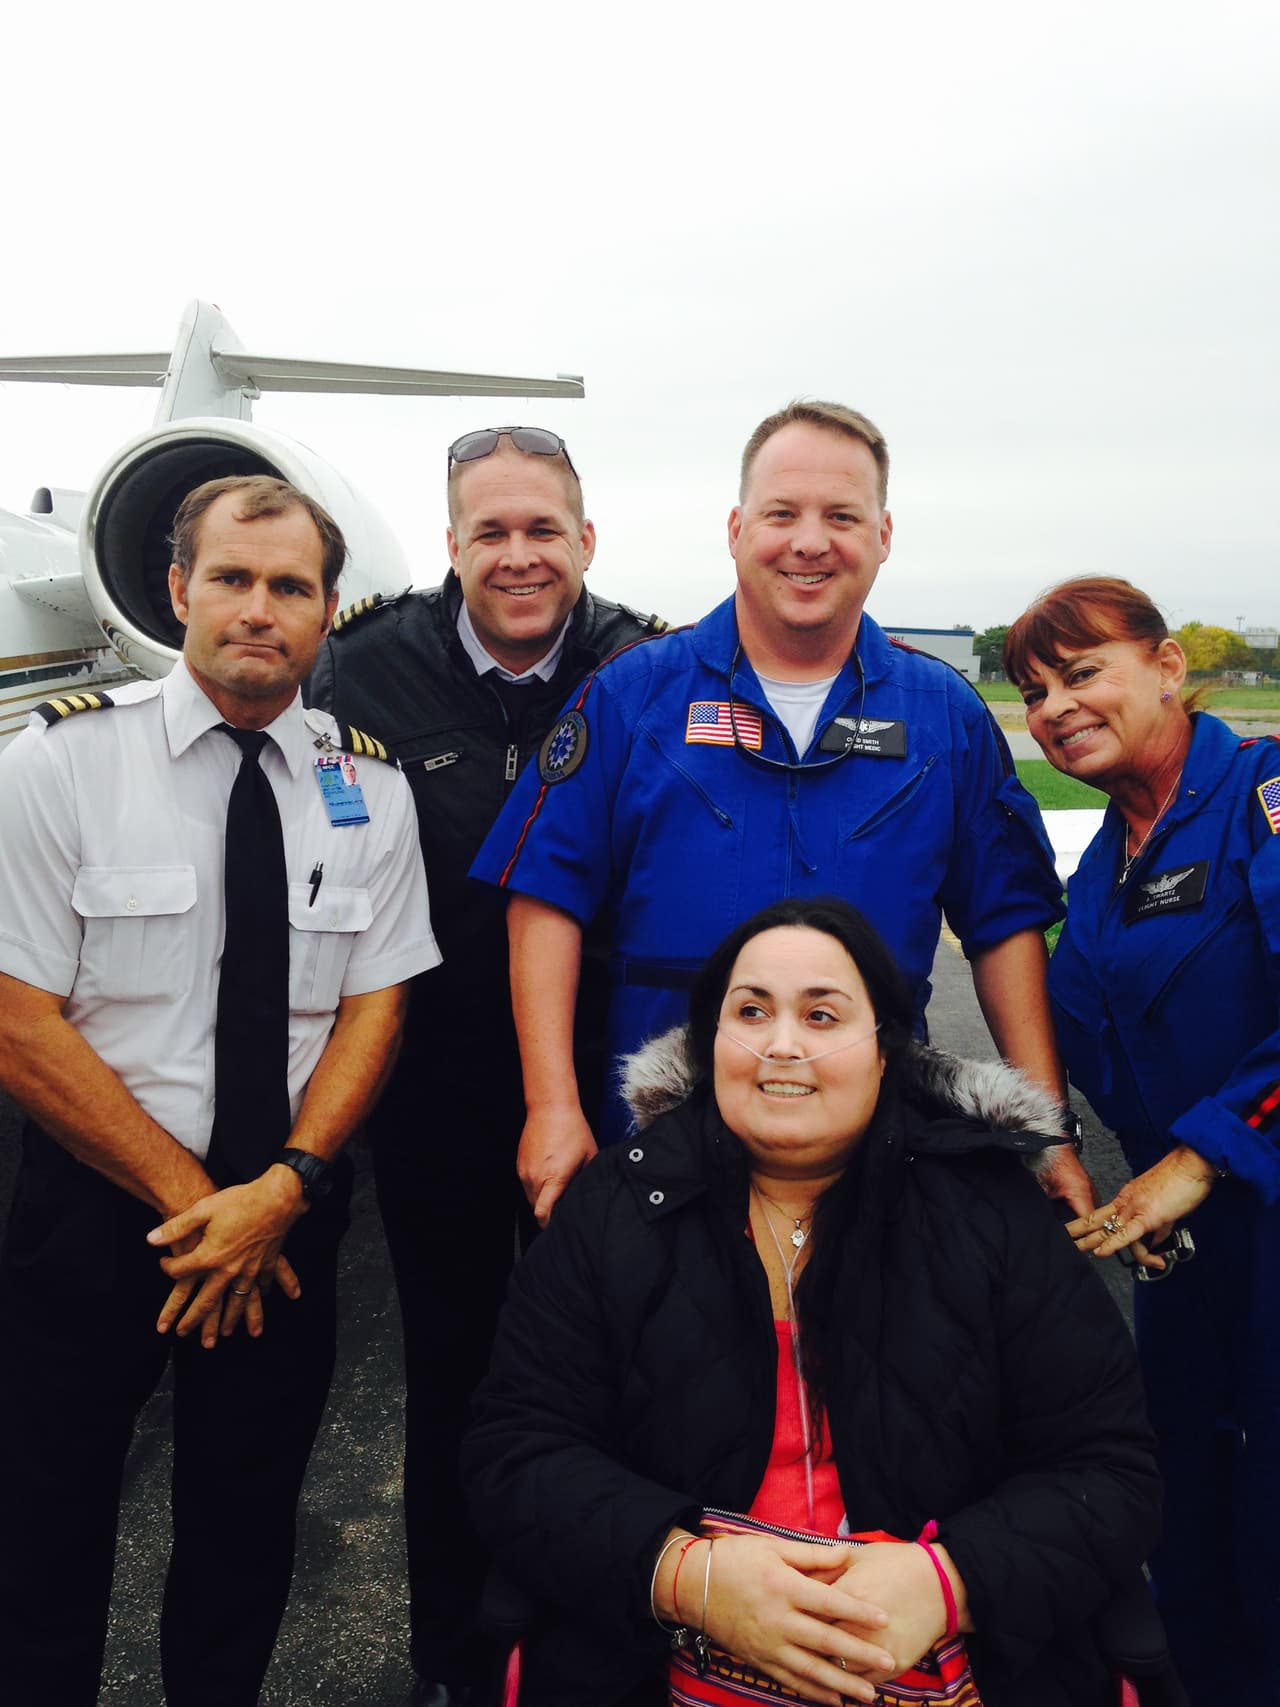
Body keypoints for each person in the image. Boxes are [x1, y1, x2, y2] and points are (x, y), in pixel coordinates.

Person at [461, 897, 1162, 1707]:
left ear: (885, 1052)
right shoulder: (613, 1210)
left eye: (822, 1014)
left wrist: (948, 1582)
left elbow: (1110, 1469)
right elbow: (515, 1451)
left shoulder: (992, 1212)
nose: (782, 1044)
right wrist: (690, 1577)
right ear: (709, 1041)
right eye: (750, 1011)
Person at [0, 475, 439, 1707]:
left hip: (284, 1217)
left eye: (289, 587)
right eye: (232, 578)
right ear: (178, 588)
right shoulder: (61, 764)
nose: (259, 608)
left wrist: (284, 1189)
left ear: (327, 612)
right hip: (99, 1212)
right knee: (43, 1526)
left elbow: (375, 1007)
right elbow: (19, 1019)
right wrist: (203, 1206)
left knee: (244, 1529)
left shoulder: (371, 791)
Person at [471, 401, 1089, 1225]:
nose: (809, 541)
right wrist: (552, 1105)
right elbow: (546, 900)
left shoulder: (946, 714)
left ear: (883, 535)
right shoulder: (631, 694)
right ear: (736, 530)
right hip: (663, 1144)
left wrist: (1048, 1131)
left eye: (842, 516)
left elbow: (1005, 924)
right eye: (781, 513)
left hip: (877, 1147)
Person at [308, 425, 663, 1705]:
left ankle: (605, 1654)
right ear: (451, 544)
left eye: (542, 530)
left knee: (625, 1378)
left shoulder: (647, 667)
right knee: (452, 1376)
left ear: (585, 540)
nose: (519, 557)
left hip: (614, 1088)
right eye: (491, 533)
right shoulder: (360, 670)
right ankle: (456, 1659)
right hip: (437, 1091)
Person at [1004, 575, 1280, 1704]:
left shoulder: (1261, 794)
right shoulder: (1105, 858)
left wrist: (1201, 1155)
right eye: (1034, 693)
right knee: (1184, 1502)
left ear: (1168, 666)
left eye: (1081, 673)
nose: (1054, 708)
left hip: (1253, 1209)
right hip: (1175, 1244)